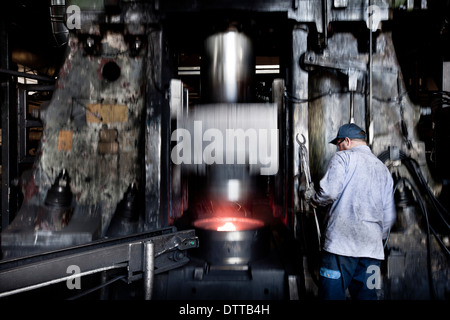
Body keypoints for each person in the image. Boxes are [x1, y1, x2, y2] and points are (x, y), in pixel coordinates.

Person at [304, 123, 396, 300]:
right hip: (371, 252)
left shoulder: (343, 158)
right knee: (368, 297)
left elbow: (329, 192)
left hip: (341, 247)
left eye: (338, 144)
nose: (338, 148)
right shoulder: (383, 169)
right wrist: (374, 238)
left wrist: (313, 199)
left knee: (331, 297)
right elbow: (389, 217)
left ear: (346, 141)